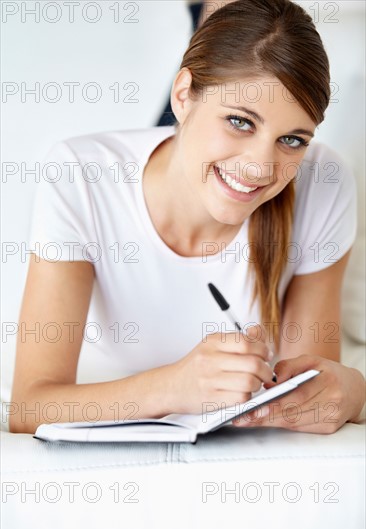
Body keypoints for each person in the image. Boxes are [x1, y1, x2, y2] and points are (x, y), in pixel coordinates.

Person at [10, 0, 365, 434]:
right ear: (183, 95)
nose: (260, 167)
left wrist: (351, 392)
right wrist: (174, 387)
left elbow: (299, 407)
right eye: (239, 121)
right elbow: (29, 408)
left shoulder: (322, 183)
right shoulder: (81, 175)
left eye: (291, 139)